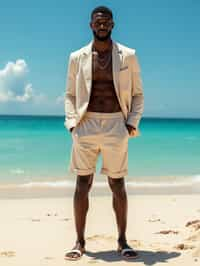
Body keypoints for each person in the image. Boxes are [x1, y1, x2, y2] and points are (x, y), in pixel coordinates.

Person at [64, 5, 144, 261]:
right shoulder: (77, 56)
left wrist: (131, 122)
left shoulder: (128, 55)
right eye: (98, 22)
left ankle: (122, 241)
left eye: (106, 22)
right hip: (85, 123)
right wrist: (72, 122)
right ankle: (79, 241)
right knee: (82, 184)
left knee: (117, 184)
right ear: (90, 25)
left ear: (112, 25)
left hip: (115, 124)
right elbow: (70, 94)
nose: (102, 25)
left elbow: (138, 93)